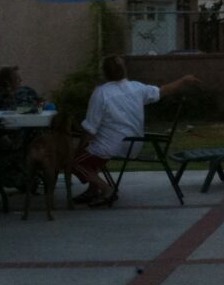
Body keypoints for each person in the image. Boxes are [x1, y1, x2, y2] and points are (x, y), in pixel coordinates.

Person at [71, 54, 199, 205]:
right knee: (91, 154)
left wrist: (80, 148)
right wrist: (183, 80)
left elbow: (90, 128)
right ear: (124, 70)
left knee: (74, 162)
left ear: (104, 73)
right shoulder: (137, 88)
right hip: (134, 144)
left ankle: (107, 190)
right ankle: (93, 190)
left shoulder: (101, 93)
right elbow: (163, 90)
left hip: (111, 146)